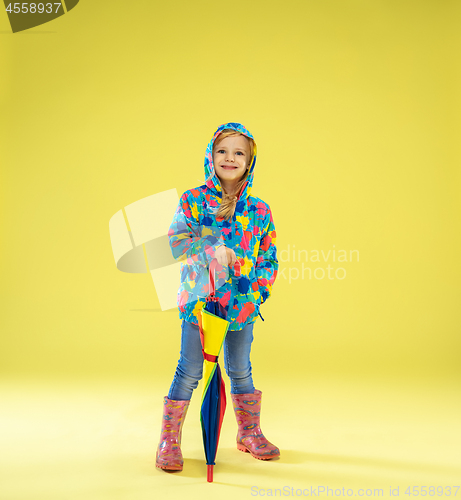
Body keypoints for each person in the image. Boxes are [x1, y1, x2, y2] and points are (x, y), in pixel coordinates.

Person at [155, 122, 279, 471]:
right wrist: (213, 248)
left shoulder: (260, 211)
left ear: (250, 161)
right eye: (222, 151)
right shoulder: (193, 200)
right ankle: (169, 439)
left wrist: (258, 293)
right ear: (210, 157)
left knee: (241, 370)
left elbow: (269, 257)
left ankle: (249, 432)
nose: (230, 158)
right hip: (200, 303)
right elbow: (176, 242)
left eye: (239, 152)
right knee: (190, 370)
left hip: (241, 306)